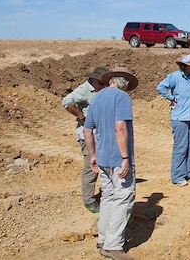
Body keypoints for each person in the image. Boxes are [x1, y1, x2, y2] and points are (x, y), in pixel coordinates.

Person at [83, 66, 139, 260]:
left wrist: (93, 155)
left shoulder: (97, 97)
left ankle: (103, 238)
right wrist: (125, 158)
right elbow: (120, 127)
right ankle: (113, 245)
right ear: (124, 83)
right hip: (117, 159)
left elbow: (87, 130)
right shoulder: (122, 98)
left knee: (108, 197)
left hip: (103, 157)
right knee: (123, 198)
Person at [62, 65, 108, 213]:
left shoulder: (102, 90)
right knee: (91, 167)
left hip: (100, 134)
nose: (103, 86)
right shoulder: (84, 90)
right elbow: (66, 102)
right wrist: (81, 117)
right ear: (93, 80)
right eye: (101, 83)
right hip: (87, 134)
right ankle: (88, 201)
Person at [156, 54, 190, 186]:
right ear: (184, 66)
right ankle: (177, 176)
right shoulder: (174, 77)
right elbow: (160, 87)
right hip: (179, 115)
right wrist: (171, 98)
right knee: (181, 145)